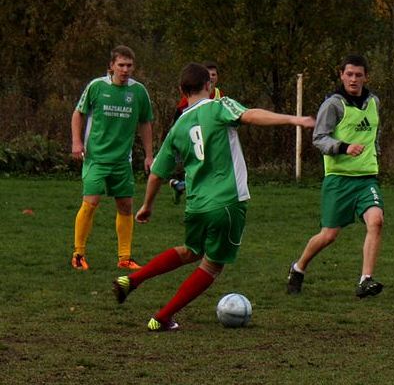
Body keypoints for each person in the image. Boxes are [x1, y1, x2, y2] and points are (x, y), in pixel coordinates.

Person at [112, 62, 314, 332]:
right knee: (212, 265)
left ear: (181, 90)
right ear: (209, 85)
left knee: (191, 251)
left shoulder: (177, 127)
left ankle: (132, 280)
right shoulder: (220, 106)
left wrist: (147, 206)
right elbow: (251, 115)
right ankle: (161, 317)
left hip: (196, 205)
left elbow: (157, 174)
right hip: (227, 202)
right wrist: (293, 120)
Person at [286, 54, 385, 298]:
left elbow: (375, 134)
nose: (353, 79)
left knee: (376, 221)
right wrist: (344, 147)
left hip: (367, 178)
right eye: (349, 74)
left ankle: (365, 280)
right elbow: (319, 138)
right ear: (341, 75)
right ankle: (298, 268)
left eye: (358, 75)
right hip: (339, 179)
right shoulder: (333, 104)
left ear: (366, 77)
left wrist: (375, 153)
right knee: (329, 235)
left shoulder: (374, 102)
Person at [70, 45, 154, 270]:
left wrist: (149, 155)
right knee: (91, 203)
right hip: (96, 158)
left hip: (122, 161)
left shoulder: (139, 92)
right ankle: (78, 254)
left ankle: (124, 257)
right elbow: (78, 113)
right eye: (121, 65)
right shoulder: (97, 87)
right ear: (111, 66)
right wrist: (76, 142)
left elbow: (145, 123)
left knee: (126, 206)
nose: (125, 70)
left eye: (129, 65)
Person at [169, 61, 222, 203]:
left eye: (214, 75)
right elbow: (179, 116)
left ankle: (180, 185)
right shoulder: (191, 97)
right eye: (209, 75)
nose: (211, 77)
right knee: (200, 168)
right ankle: (184, 186)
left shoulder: (219, 94)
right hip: (194, 137)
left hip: (211, 139)